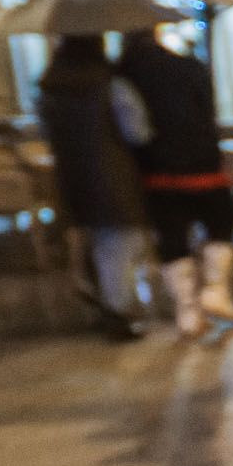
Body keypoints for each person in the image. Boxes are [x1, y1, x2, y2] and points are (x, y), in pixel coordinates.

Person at [117, 29, 233, 338]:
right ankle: (215, 290)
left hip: (157, 172)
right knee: (222, 222)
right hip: (204, 165)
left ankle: (187, 311)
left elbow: (131, 128)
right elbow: (208, 114)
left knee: (172, 237)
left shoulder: (121, 75)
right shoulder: (189, 66)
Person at [35, 31, 150, 341]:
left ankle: (98, 298)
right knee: (122, 241)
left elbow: (46, 133)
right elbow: (137, 132)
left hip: (70, 175)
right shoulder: (111, 86)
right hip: (112, 172)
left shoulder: (48, 89)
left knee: (93, 239)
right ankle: (117, 311)